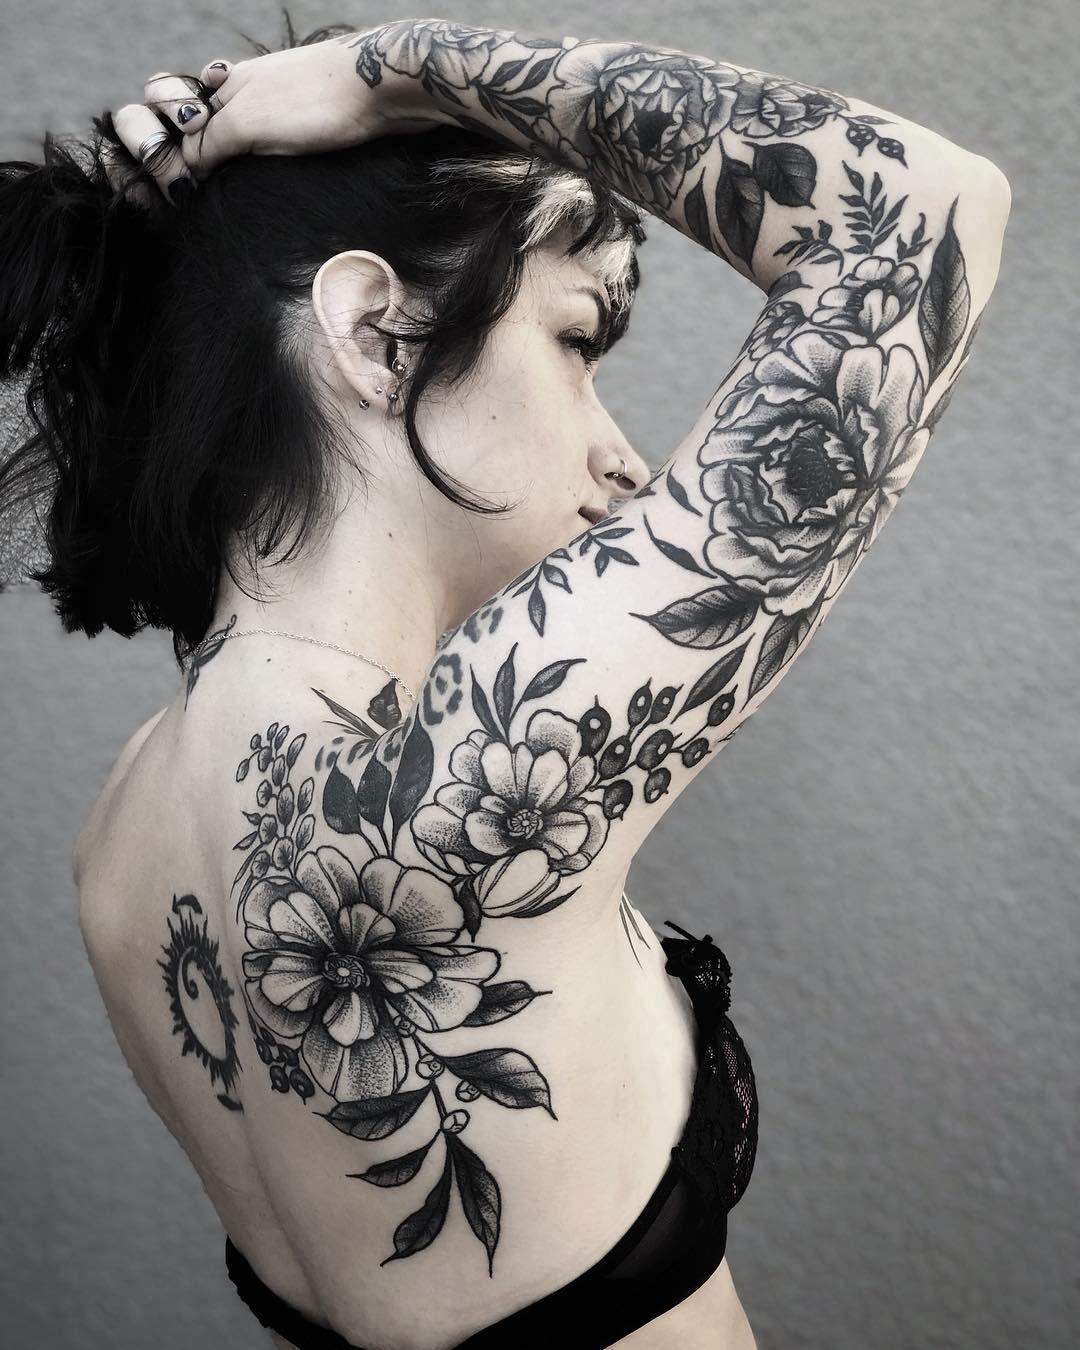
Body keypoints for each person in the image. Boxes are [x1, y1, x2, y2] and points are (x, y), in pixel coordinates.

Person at [0, 14, 1010, 1350]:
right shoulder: (450, 768)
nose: (623, 458)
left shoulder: (120, 828)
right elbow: (923, 214)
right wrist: (386, 72)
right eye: (577, 339)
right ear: (376, 334)